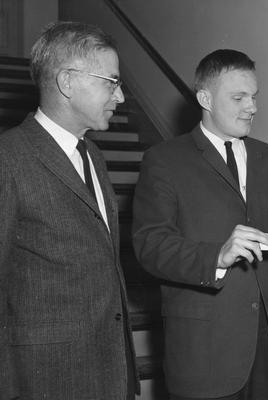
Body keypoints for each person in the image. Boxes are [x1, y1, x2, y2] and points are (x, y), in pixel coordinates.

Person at [132, 49, 268, 400]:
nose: (252, 107)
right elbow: (150, 246)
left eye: (254, 96)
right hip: (206, 351)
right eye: (239, 97)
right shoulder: (165, 161)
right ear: (205, 98)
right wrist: (216, 255)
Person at [0, 21, 139, 400]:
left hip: (109, 369)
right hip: (46, 378)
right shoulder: (8, 157)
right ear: (67, 82)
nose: (121, 96)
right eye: (111, 82)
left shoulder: (92, 154)